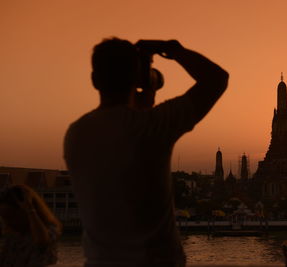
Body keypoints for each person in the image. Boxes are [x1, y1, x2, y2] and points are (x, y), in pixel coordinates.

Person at [64, 38, 229, 267]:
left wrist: (140, 108)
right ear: (138, 78)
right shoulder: (152, 126)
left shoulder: (76, 133)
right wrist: (174, 50)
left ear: (94, 80)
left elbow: (119, 142)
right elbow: (216, 79)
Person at [0, 184, 62, 267]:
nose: (7, 222)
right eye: (4, 217)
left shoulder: (48, 230)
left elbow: (42, 242)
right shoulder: (12, 237)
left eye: (10, 216)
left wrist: (30, 208)